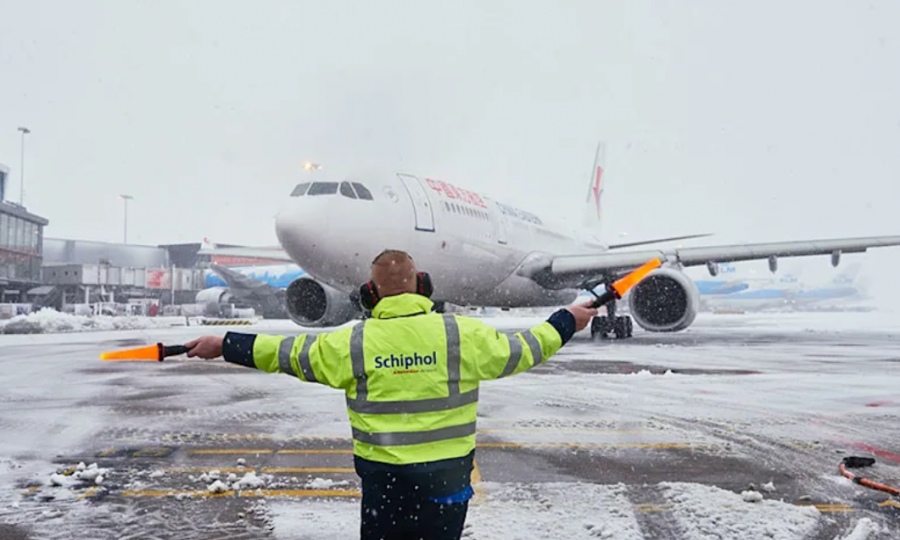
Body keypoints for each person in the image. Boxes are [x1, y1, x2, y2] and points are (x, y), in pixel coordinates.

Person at [185, 249, 598, 540]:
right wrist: (566, 319)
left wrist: (225, 344)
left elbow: (284, 353)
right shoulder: (460, 334)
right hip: (446, 484)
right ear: (422, 285)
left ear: (370, 292)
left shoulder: (353, 343)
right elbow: (527, 348)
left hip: (385, 487)